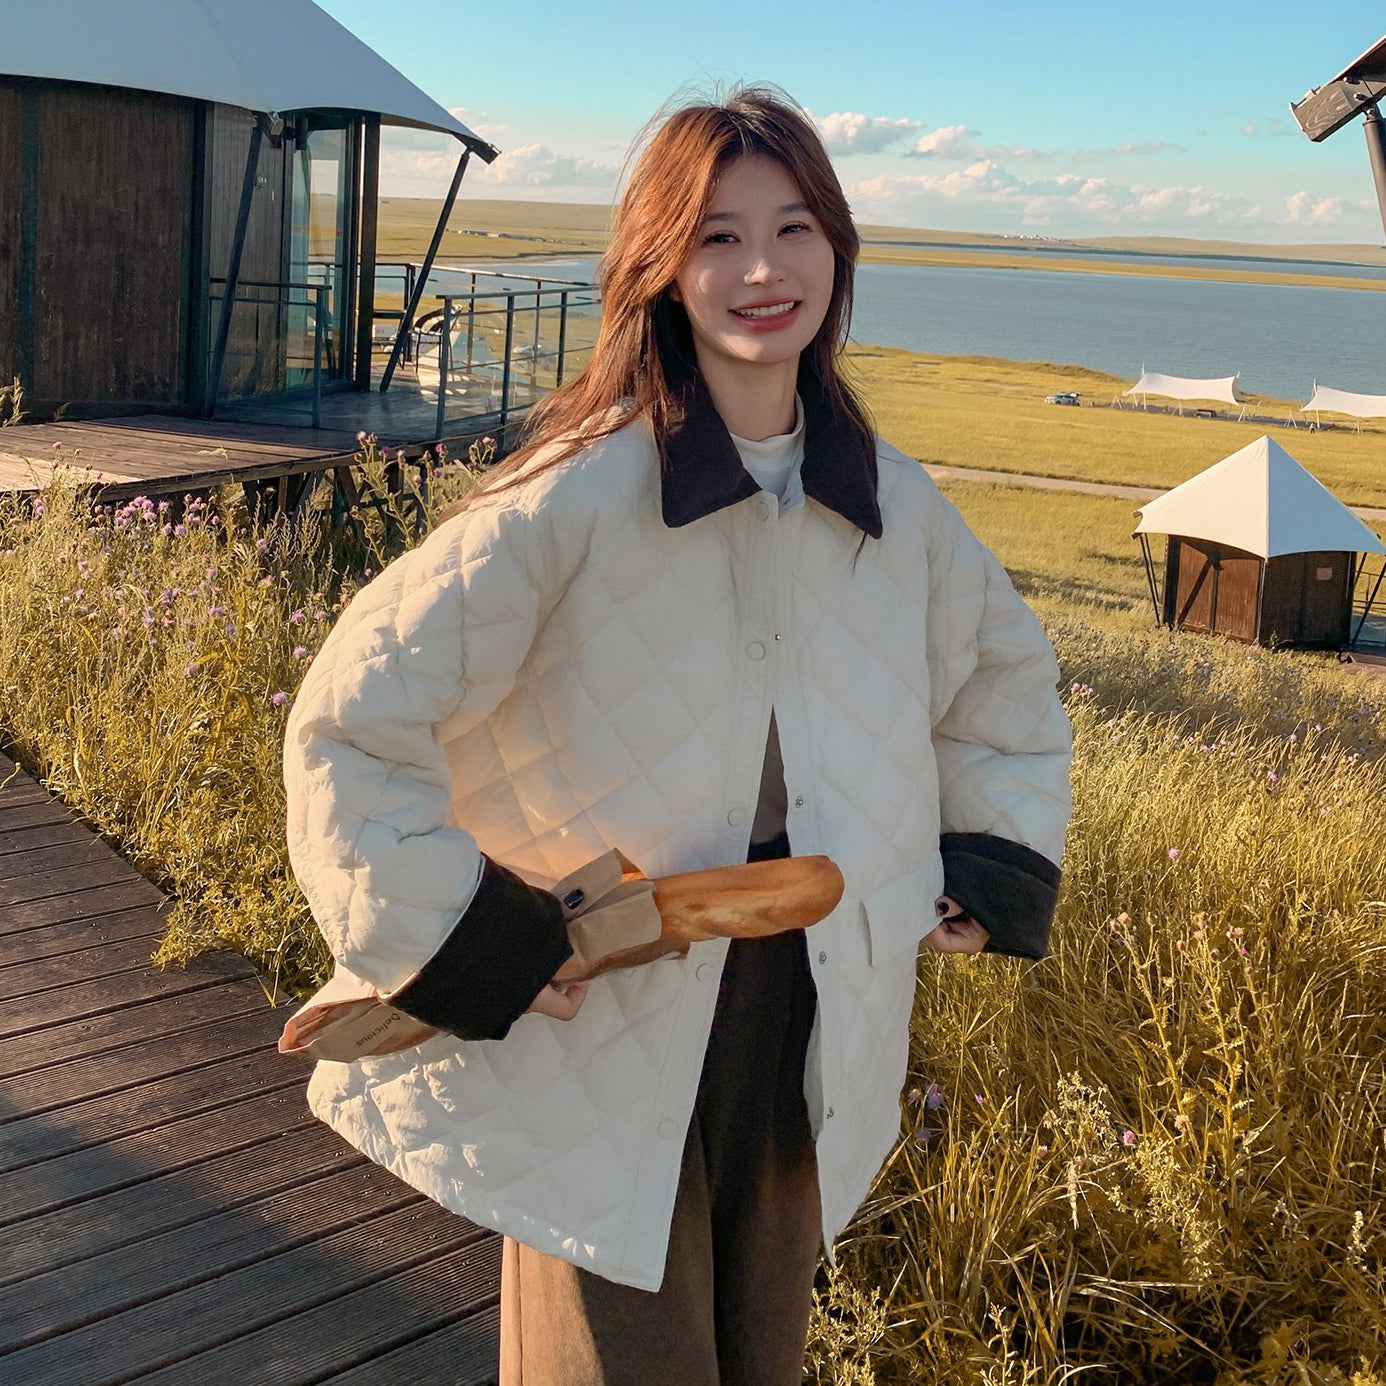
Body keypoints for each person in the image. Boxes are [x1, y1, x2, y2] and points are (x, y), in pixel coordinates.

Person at [283, 85, 1071, 1386]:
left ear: (837, 250)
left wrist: (985, 861)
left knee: (760, 1352)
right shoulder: (578, 494)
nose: (764, 269)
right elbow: (354, 719)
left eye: (795, 226)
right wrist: (468, 935)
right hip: (611, 1001)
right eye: (718, 236)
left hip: (810, 1007)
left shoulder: (895, 506)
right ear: (660, 265)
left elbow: (1003, 681)